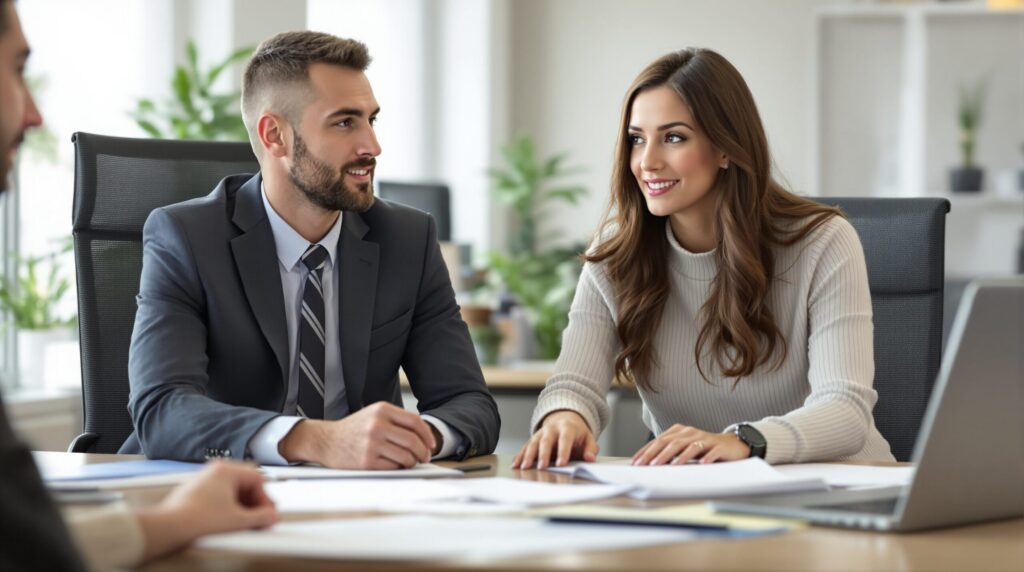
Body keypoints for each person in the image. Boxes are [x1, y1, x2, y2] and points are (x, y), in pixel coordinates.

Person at [120, 30, 500, 469]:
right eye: (344, 123)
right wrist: (315, 440)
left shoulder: (407, 239)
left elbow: (471, 405)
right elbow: (162, 411)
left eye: (371, 120)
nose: (372, 146)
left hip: (362, 496)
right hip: (219, 488)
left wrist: (414, 439)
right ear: (275, 135)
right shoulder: (187, 238)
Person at [514, 48, 894, 470]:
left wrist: (744, 441)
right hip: (697, 489)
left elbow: (845, 411)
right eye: (637, 139)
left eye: (674, 137)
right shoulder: (616, 255)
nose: (647, 162)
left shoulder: (822, 241)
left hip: (841, 486)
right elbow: (573, 385)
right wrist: (565, 418)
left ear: (725, 148)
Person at [0, 1, 277, 569]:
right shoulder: (183, 235)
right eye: (16, 68)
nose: (34, 115)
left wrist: (183, 518)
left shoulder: (403, 236)